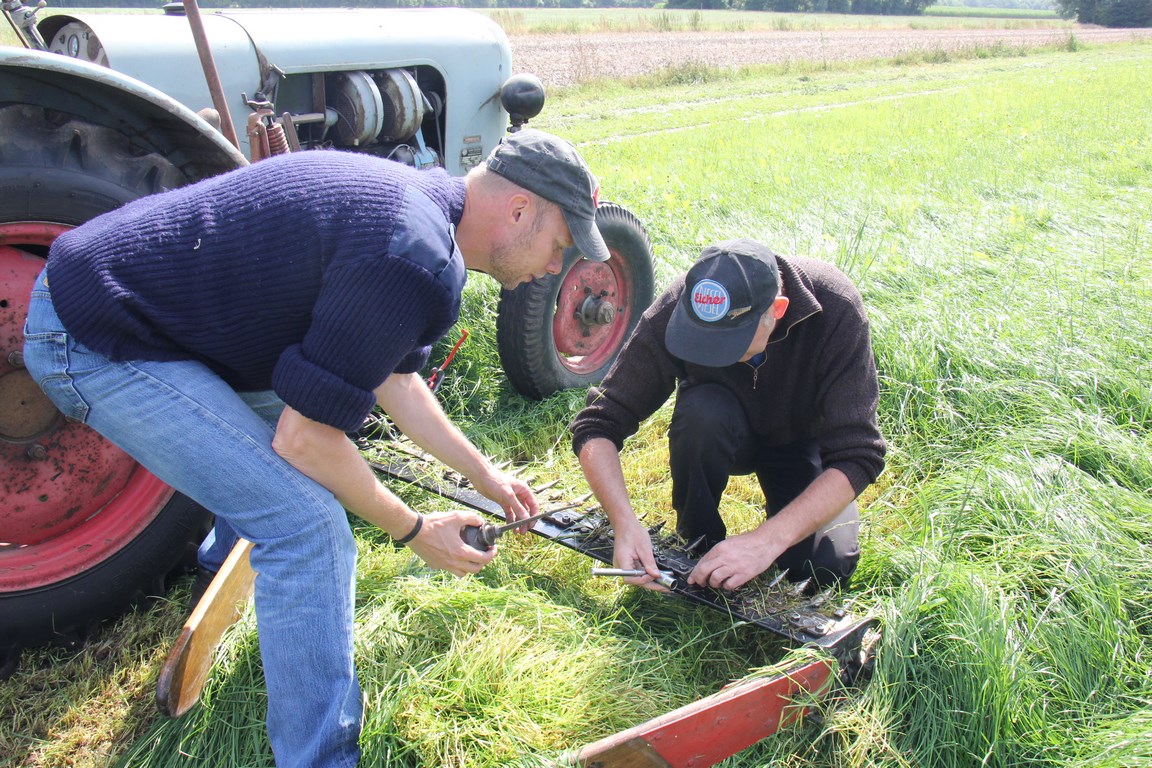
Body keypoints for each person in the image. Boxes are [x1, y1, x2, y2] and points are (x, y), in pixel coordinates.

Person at [22, 129, 609, 768]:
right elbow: (304, 441)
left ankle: (221, 580)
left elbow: (394, 378)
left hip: (137, 309)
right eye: (560, 245)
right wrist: (414, 530)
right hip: (92, 334)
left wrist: (483, 474)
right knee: (308, 527)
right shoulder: (414, 254)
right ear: (520, 210)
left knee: (298, 441)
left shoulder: (423, 215)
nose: (555, 267)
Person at [571, 239, 885, 594]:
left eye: (729, 342)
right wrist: (623, 522)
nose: (712, 350)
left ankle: (770, 543)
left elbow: (858, 455)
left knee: (821, 569)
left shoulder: (836, 307)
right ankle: (696, 541)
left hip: (799, 442)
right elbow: (598, 422)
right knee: (703, 412)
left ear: (777, 310)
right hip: (714, 427)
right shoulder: (681, 305)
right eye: (700, 339)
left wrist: (766, 541)